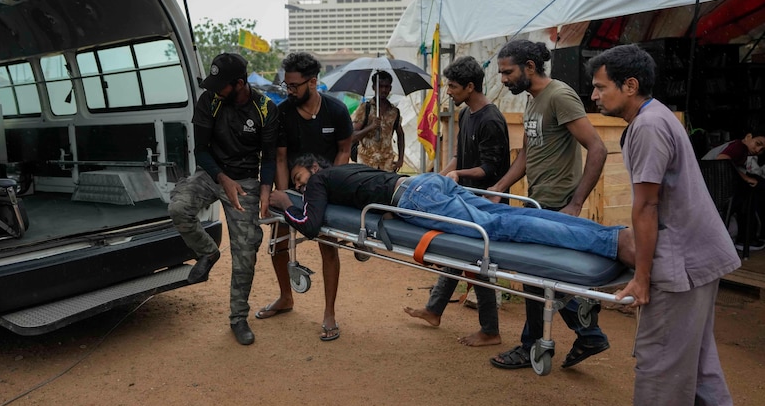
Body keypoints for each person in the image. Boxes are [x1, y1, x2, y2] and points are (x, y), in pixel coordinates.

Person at [581, 44, 750, 406]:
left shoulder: (649, 127)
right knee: (697, 361)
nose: (595, 96)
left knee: (659, 355)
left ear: (630, 85)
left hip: (683, 261)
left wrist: (641, 276)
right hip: (699, 253)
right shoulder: (657, 116)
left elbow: (648, 206)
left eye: (601, 88)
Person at [487, 39, 611, 370]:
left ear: (530, 67)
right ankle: (589, 333)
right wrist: (500, 187)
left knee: (534, 274)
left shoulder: (559, 95)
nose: (503, 79)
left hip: (557, 206)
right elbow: (527, 155)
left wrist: (575, 203)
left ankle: (533, 347)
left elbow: (597, 148)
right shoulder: (533, 100)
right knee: (538, 276)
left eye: (507, 72)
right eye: (501, 73)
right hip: (536, 203)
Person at [269, 155, 634, 265]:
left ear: (314, 169)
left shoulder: (318, 183)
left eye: (301, 179)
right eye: (298, 185)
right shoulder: (348, 168)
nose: (301, 186)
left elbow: (311, 225)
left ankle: (611, 244)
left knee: (504, 228)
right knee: (511, 216)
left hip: (417, 199)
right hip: (428, 182)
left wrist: (287, 202)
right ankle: (613, 235)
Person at [167, 53, 278, 346]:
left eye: (221, 85)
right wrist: (221, 178)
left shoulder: (265, 107)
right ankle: (208, 252)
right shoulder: (210, 101)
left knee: (245, 251)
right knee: (179, 207)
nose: (215, 90)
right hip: (212, 173)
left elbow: (268, 157)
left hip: (244, 182)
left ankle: (237, 318)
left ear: (240, 83)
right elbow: (200, 149)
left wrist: (265, 189)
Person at [403, 56, 510, 347]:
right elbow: (459, 158)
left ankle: (490, 330)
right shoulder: (466, 115)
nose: (448, 92)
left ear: (470, 87)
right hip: (463, 198)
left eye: (452, 86)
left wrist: (456, 175)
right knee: (455, 254)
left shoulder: (491, 120)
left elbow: (489, 170)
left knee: (478, 263)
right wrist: (438, 176)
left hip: (483, 202)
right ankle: (434, 309)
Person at [256, 52, 353, 342]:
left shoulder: (335, 110)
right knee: (278, 243)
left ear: (313, 82)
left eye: (295, 85)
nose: (289, 90)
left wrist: (330, 187)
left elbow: (344, 150)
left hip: (326, 187)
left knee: (328, 246)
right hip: (291, 185)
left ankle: (329, 313)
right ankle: (286, 297)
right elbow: (281, 157)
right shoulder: (282, 112)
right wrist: (285, 196)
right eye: (287, 85)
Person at [702, 128, 765, 251]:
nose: (758, 150)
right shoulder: (739, 146)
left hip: (713, 188)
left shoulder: (742, 151)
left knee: (757, 184)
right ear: (748, 137)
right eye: (758, 144)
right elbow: (722, 160)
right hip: (711, 189)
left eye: (762, 150)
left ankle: (747, 236)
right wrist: (746, 178)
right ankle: (745, 237)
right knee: (753, 191)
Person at [351, 71, 405, 171]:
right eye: (380, 86)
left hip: (387, 164)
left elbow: (400, 134)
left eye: (386, 86)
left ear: (390, 88)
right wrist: (370, 127)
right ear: (374, 87)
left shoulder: (394, 112)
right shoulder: (365, 108)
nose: (383, 90)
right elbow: (353, 136)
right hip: (366, 163)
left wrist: (401, 159)